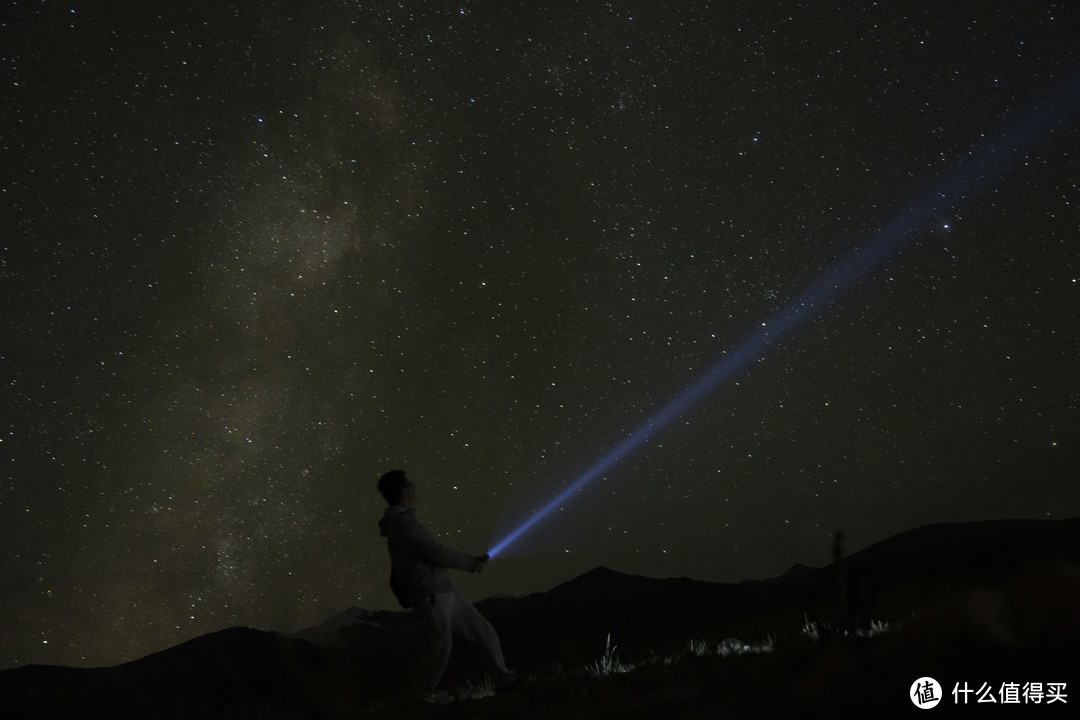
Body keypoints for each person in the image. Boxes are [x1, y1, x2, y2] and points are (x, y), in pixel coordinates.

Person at [377, 469, 516, 700]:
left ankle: (502, 676)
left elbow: (430, 552)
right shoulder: (402, 525)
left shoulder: (403, 523)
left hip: (441, 590)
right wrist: (471, 564)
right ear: (401, 490)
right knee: (442, 643)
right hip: (430, 593)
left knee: (480, 630)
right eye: (409, 484)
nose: (414, 487)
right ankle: (421, 694)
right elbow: (434, 552)